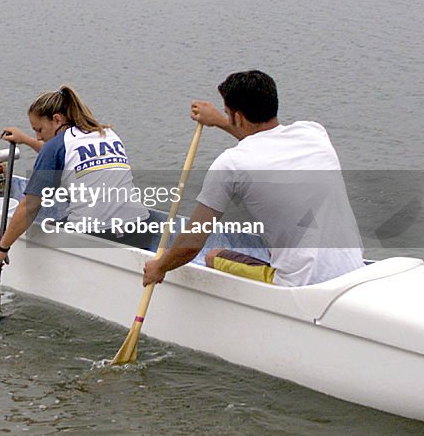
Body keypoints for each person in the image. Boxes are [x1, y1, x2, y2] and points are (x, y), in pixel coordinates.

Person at [142, 70, 365, 288]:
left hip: (299, 284)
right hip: (354, 272)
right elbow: (263, 141)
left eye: (228, 113)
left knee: (212, 255)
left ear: (237, 116)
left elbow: (192, 244)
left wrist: (159, 267)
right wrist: (220, 121)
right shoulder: (314, 133)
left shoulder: (230, 164)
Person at [0, 86, 151, 274]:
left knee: (46, 227)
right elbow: (61, 158)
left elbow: (30, 206)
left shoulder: (56, 147)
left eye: (39, 129)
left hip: (97, 234)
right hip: (141, 228)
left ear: (57, 119)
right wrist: (25, 140)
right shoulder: (106, 133)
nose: (38, 137)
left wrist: (3, 247)